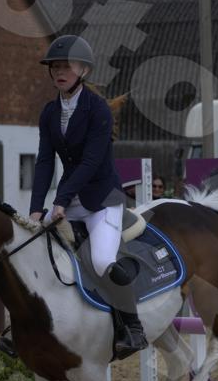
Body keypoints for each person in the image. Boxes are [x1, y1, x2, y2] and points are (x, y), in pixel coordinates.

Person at [28, 34, 146, 359]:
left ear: (84, 70)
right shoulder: (49, 113)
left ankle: (133, 328)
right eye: (55, 67)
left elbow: (91, 162)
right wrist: (36, 209)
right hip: (70, 201)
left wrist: (60, 200)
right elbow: (44, 161)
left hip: (102, 201)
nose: (59, 72)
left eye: (66, 66)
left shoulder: (98, 110)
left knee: (102, 261)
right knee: (42, 258)